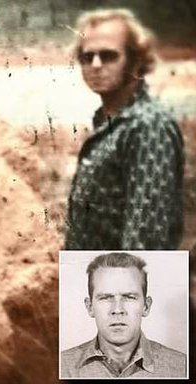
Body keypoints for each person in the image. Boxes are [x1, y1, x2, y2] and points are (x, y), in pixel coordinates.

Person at [64, 9, 184, 250]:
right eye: (87, 57)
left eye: (108, 56)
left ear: (136, 60)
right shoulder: (110, 122)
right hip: (97, 280)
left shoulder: (148, 125)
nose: (95, 65)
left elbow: (146, 241)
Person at [60, 252, 186, 378]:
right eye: (105, 298)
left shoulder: (182, 367)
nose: (118, 309)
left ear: (146, 306)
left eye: (129, 297)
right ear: (90, 307)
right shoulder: (61, 366)